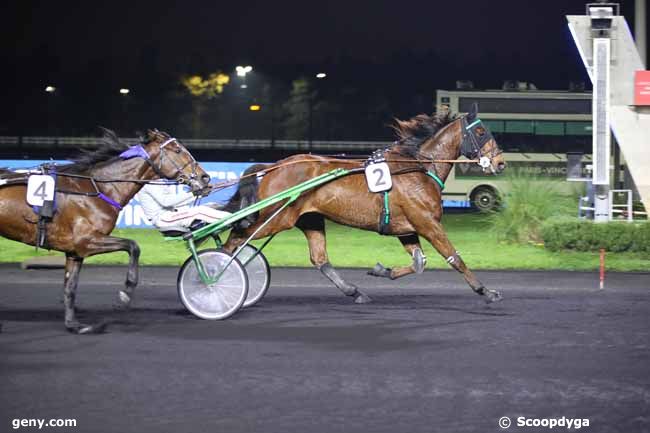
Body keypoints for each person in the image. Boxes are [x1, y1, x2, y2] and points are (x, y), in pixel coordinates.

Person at [137, 183, 231, 232]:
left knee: (213, 205)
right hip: (163, 219)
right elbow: (167, 202)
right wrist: (194, 193)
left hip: (171, 214)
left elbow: (175, 203)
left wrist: (199, 194)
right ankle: (233, 219)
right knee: (199, 211)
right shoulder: (149, 183)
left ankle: (234, 216)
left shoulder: (158, 181)